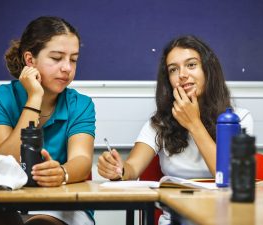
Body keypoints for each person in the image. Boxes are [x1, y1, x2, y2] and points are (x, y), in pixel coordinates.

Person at [97, 35, 253, 225]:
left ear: (208, 70)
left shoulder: (238, 118)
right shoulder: (160, 123)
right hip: (175, 221)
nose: (182, 75)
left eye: (191, 65)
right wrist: (117, 169)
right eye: (173, 69)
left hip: (223, 219)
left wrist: (194, 124)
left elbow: (228, 177)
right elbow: (131, 168)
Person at [0, 16, 96, 225]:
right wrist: (34, 98)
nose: (67, 68)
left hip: (61, 206)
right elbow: (4, 162)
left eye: (73, 59)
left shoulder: (81, 104)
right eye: (57, 58)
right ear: (30, 60)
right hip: (4, 206)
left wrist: (63, 172)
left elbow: (82, 161)